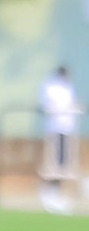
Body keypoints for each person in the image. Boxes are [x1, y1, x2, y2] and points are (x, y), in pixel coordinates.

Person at [39, 66, 82, 214]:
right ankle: (48, 196)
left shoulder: (69, 87)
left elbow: (72, 105)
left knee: (64, 165)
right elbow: (48, 106)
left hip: (68, 129)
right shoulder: (51, 87)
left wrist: (75, 108)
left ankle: (56, 196)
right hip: (55, 129)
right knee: (54, 165)